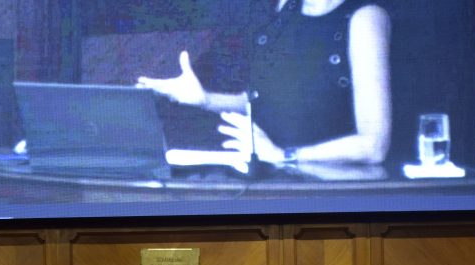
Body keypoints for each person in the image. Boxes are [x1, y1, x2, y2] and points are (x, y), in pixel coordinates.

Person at [136, 0, 391, 166]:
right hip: (272, 179)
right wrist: (205, 99)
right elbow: (268, 100)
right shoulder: (285, 9)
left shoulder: (365, 18)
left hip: (332, 192)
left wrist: (286, 156)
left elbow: (374, 145)